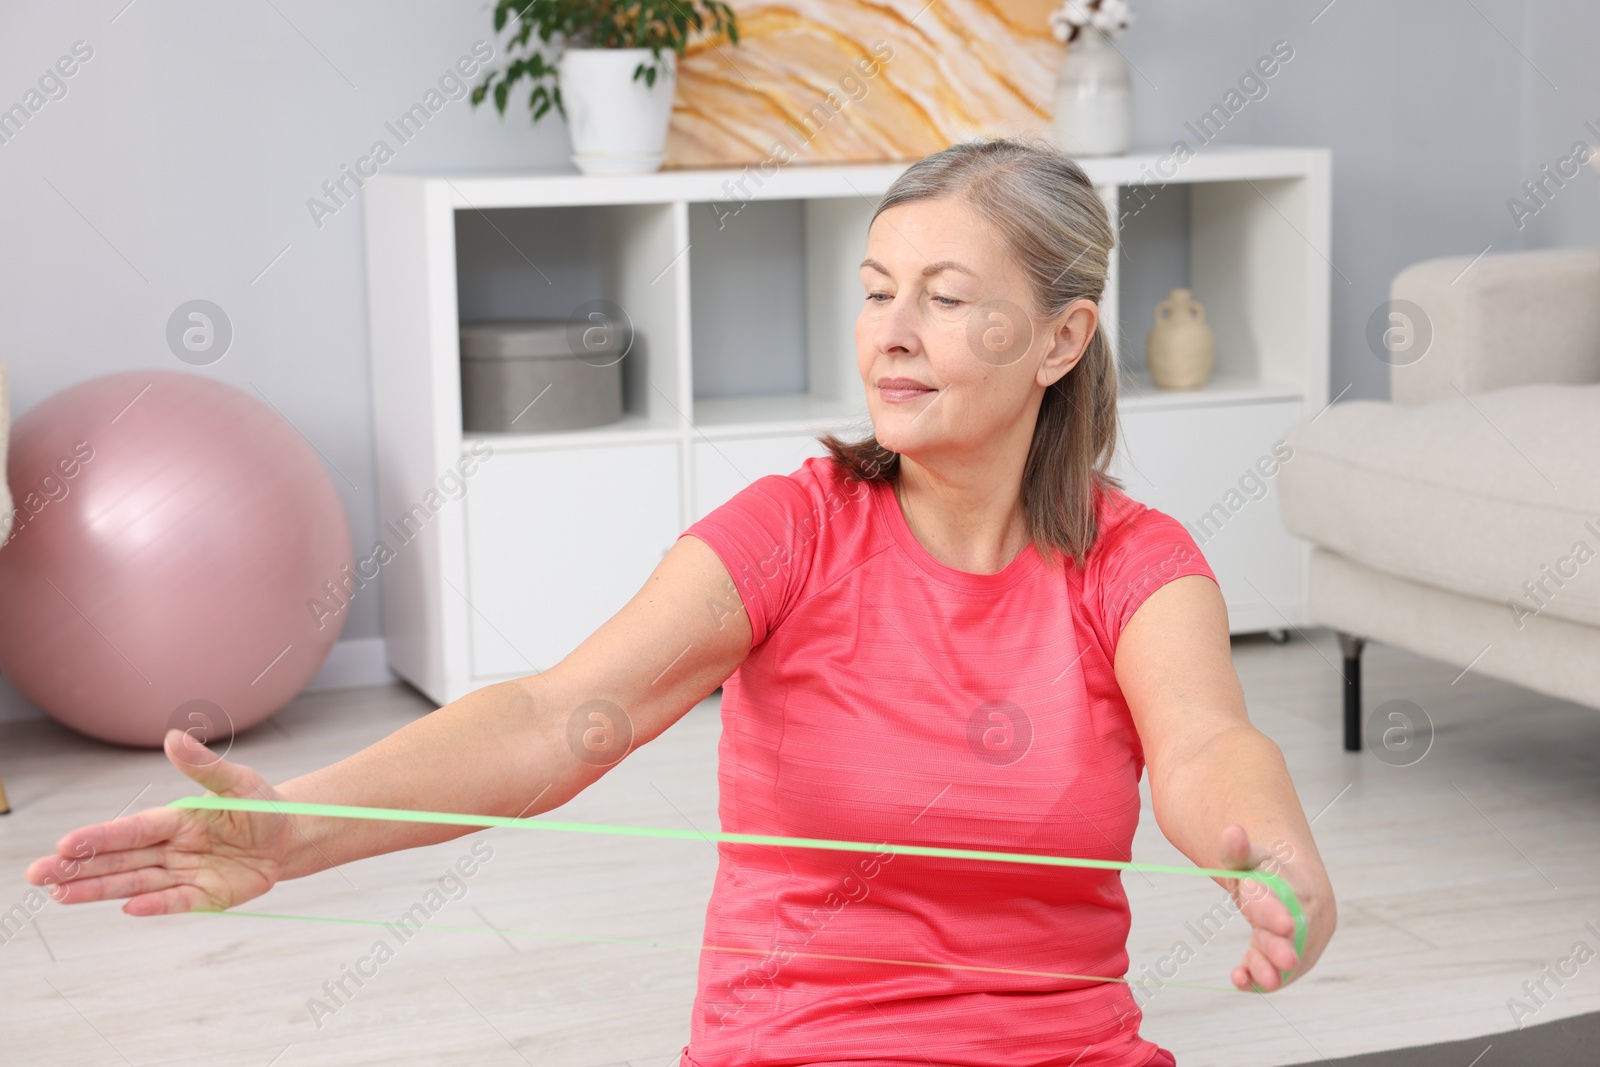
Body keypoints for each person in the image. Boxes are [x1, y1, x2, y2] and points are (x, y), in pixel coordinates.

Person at [26, 137, 1335, 1066]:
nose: (890, 333)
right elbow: (557, 719)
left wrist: (1267, 852)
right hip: (799, 1047)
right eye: (876, 293)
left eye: (945, 300)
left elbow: (1210, 744)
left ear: (1061, 339)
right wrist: (297, 831)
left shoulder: (1136, 561)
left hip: (1062, 1052)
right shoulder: (793, 532)